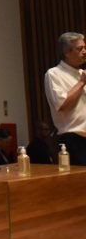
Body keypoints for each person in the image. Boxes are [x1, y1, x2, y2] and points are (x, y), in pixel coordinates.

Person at [43, 31, 86, 164]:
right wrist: (81, 83)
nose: (84, 52)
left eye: (85, 48)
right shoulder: (54, 74)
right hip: (73, 138)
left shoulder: (82, 73)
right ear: (67, 52)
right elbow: (62, 105)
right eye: (80, 49)